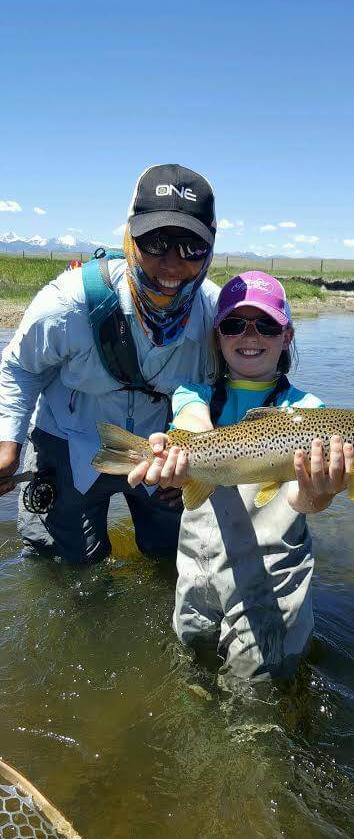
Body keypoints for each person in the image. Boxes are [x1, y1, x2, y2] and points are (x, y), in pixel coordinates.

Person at [128, 271, 354, 683]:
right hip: (198, 573)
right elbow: (195, 428)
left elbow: (303, 503)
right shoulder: (193, 395)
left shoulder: (311, 412)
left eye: (265, 324)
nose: (250, 336)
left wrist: (319, 494)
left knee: (259, 691)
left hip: (271, 584)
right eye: (234, 325)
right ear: (218, 336)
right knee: (192, 666)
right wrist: (174, 455)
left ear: (286, 335)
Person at [0, 164, 220, 563]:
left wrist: (200, 466)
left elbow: (237, 384)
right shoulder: (68, 302)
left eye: (191, 248)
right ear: (129, 236)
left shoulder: (218, 314)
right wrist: (7, 442)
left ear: (212, 248)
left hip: (162, 453)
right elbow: (20, 368)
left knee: (173, 557)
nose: (171, 264)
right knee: (65, 566)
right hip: (68, 442)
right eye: (154, 242)